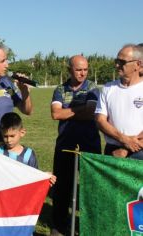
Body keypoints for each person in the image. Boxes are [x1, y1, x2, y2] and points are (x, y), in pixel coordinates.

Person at [50, 55, 101, 236]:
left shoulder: (93, 88)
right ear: (70, 69)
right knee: (62, 187)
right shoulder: (59, 89)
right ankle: (59, 226)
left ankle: (90, 226)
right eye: (79, 69)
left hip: (89, 146)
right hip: (65, 145)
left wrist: (68, 111)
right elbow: (56, 114)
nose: (82, 73)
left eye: (85, 69)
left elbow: (90, 113)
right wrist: (80, 110)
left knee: (91, 189)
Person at [95, 44, 143, 160]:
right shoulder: (108, 88)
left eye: (122, 62)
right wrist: (124, 140)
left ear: (138, 64)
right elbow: (100, 120)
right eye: (116, 61)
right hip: (112, 151)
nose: (117, 65)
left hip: (140, 152)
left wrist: (126, 148)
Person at [0, 112, 56, 185]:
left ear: (22, 133)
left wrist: (44, 177)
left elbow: (34, 176)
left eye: (12, 136)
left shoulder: (29, 154)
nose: (8, 140)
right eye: (5, 136)